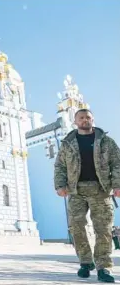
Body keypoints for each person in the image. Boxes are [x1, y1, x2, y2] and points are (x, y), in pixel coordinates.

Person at [54, 109, 120, 283]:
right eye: (81, 118)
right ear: (75, 121)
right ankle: (85, 262)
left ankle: (103, 267)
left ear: (93, 119)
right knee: (76, 227)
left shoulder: (106, 142)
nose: (85, 120)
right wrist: (60, 185)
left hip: (101, 190)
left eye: (88, 117)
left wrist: (118, 185)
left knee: (104, 229)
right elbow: (60, 166)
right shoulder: (68, 144)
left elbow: (117, 163)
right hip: (76, 191)